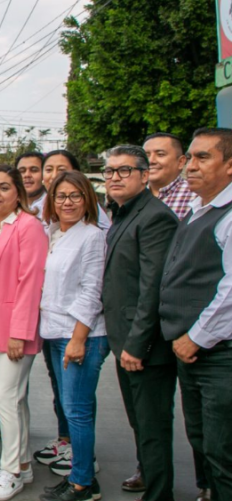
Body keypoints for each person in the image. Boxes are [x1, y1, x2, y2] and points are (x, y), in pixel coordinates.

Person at [100, 146, 177, 501]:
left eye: (123, 171)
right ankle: (149, 475)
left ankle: (158, 493)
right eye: (109, 171)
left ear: (145, 176)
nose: (114, 177)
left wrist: (137, 344)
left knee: (152, 428)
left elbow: (153, 287)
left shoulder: (155, 217)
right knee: (140, 423)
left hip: (144, 346)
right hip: (125, 340)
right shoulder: (124, 213)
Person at [160, 128, 232, 501]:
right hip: (193, 352)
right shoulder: (198, 209)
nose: (191, 165)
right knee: (203, 440)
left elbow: (231, 290)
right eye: (190, 156)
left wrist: (196, 337)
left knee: (223, 451)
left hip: (219, 354)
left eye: (204, 157)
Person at [0, 165, 48, 501]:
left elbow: (31, 282)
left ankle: (11, 472)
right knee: (14, 398)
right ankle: (23, 464)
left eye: (4, 187)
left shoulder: (28, 226)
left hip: (15, 330)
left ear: (18, 192)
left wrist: (20, 332)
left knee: (5, 397)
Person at [38, 171, 108, 501]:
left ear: (88, 200)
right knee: (71, 409)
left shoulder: (92, 236)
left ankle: (82, 483)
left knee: (77, 411)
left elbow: (92, 291)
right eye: (61, 196)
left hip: (79, 334)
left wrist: (79, 339)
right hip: (53, 331)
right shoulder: (52, 233)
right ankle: (79, 476)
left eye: (75, 196)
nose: (67, 202)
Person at [42, 150, 110, 231]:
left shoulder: (85, 205)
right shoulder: (38, 205)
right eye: (48, 170)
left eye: (61, 170)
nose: (54, 176)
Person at [143, 133, 195, 219]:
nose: (151, 161)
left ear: (181, 162)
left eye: (160, 154)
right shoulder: (133, 196)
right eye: (146, 155)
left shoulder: (195, 195)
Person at [16, 152, 47, 222]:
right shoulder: (8, 205)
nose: (27, 175)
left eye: (34, 170)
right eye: (22, 171)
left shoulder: (54, 205)